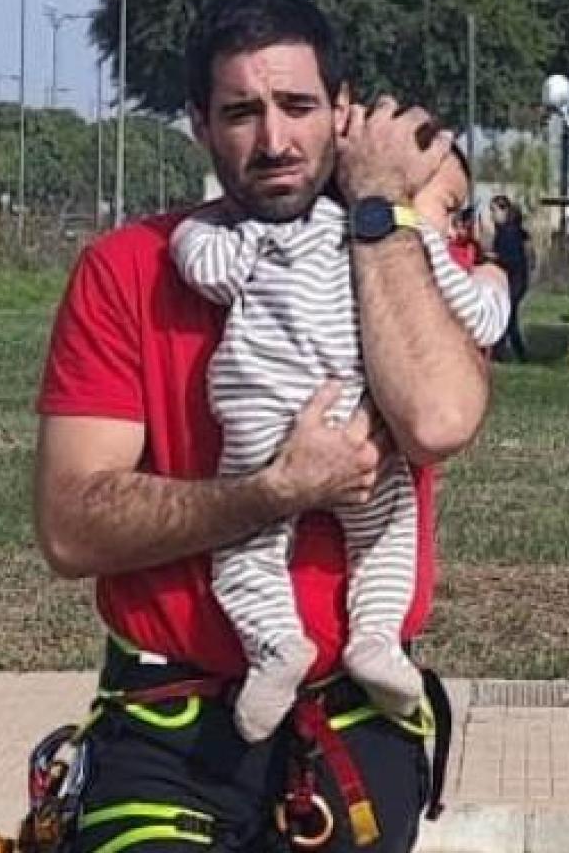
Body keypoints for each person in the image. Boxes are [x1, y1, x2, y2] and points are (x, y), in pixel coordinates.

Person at [31, 0, 497, 853]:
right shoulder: (130, 269)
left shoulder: (402, 254)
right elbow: (71, 527)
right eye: (242, 112)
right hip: (170, 723)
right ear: (201, 125)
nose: (275, 141)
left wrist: (375, 213)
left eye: (299, 106)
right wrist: (273, 490)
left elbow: (437, 419)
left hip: (351, 727)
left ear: (344, 112)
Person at [169, 143, 506, 744]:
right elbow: (482, 320)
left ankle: (274, 645)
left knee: (247, 546)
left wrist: (209, 223)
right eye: (450, 207)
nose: (453, 227)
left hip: (259, 413)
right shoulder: (414, 252)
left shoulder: (273, 231)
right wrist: (493, 278)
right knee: (386, 537)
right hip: (357, 425)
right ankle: (375, 639)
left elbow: (207, 271)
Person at [486, 195, 530, 362]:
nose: (492, 215)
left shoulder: (509, 231)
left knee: (507, 317)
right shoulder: (505, 230)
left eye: (494, 210)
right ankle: (506, 353)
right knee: (507, 317)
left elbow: (512, 259)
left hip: (515, 280)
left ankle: (505, 353)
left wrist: (493, 257)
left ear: (504, 210)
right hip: (513, 279)